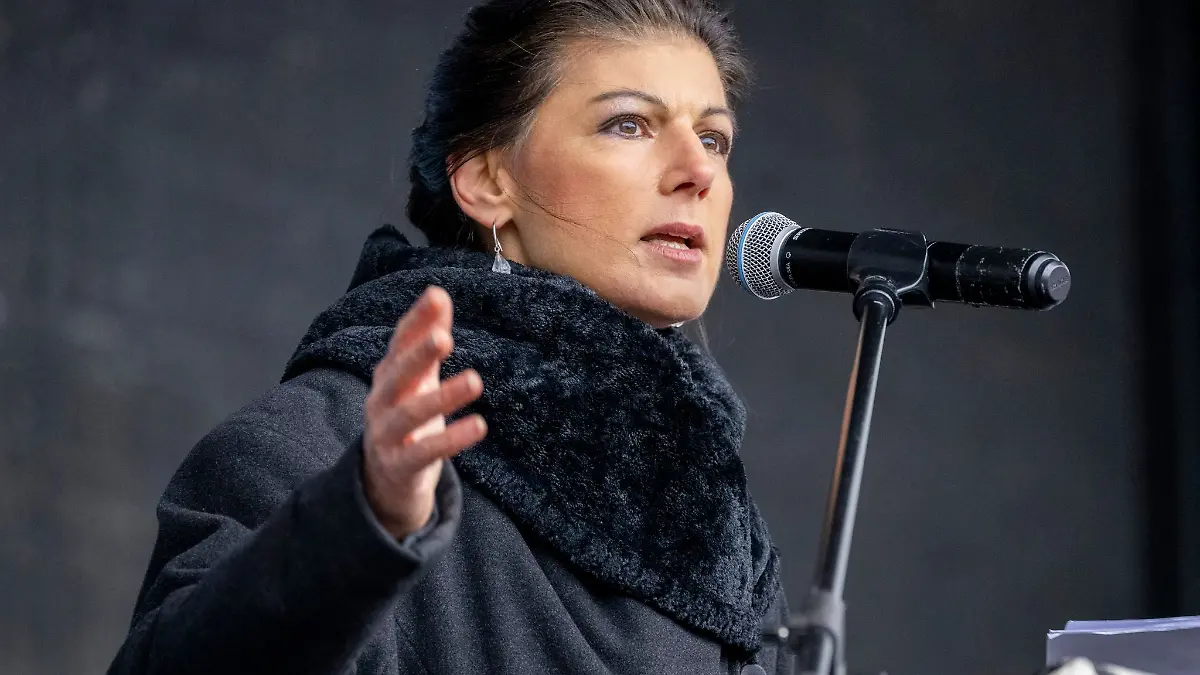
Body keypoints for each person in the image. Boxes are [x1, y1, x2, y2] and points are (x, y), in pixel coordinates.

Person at [107, 1, 786, 673]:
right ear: (487, 180)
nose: (697, 171)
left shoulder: (726, 531)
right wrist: (363, 518)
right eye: (629, 124)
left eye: (714, 138)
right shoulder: (316, 447)